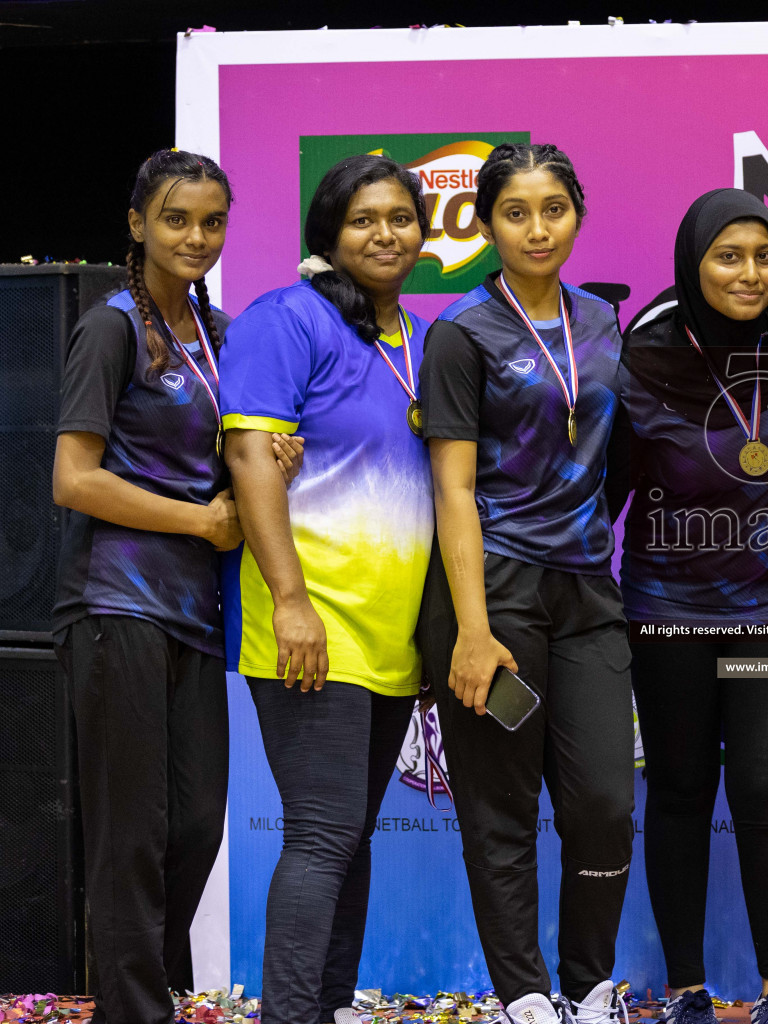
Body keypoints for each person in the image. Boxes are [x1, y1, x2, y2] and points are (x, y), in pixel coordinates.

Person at [52, 147, 280, 1024]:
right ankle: (138, 1010)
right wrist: (200, 521)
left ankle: (134, 996)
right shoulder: (113, 326)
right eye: (177, 218)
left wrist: (269, 459)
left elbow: (218, 462)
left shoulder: (219, 333)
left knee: (194, 830)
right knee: (131, 836)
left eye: (212, 221)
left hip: (195, 616)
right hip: (116, 604)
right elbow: (74, 479)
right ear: (139, 223)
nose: (196, 236)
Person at [417, 143, 631, 1024]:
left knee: (605, 805)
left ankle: (588, 986)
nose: (538, 229)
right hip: (493, 590)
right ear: (485, 223)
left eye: (554, 208)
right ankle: (526, 995)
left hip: (588, 591)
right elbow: (452, 488)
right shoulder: (462, 333)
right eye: (515, 212)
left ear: (578, 211)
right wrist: (471, 627)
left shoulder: (604, 323)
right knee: (501, 810)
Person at [219, 153, 433, 1024]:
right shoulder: (285, 319)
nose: (385, 234)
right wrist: (293, 602)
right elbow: (249, 462)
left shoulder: (414, 336)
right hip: (310, 623)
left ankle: (329, 1007)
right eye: (362, 220)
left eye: (401, 218)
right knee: (320, 833)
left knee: (348, 837)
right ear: (327, 235)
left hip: (390, 637)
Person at [616, 189, 768, 1024]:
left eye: (765, 256)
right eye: (729, 257)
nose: (751, 274)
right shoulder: (648, 350)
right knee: (676, 788)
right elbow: (613, 482)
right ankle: (686, 987)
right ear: (693, 261)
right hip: (667, 606)